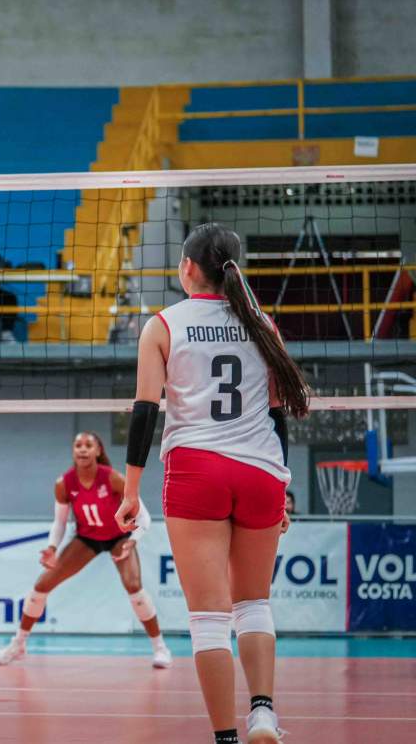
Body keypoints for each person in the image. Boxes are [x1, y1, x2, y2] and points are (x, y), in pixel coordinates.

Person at [115, 222, 309, 744]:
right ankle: (263, 714)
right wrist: (282, 485)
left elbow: (144, 411)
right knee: (254, 604)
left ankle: (226, 738)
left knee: (208, 617)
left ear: (187, 268)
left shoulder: (164, 325)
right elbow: (278, 415)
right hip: (262, 469)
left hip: (198, 469)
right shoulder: (262, 323)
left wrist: (131, 490)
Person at [0, 431, 173, 668]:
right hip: (87, 539)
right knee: (41, 585)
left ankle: (160, 648)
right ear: (73, 451)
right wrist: (52, 548)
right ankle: (18, 644)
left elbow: (143, 515)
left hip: (119, 537)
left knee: (134, 586)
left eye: (88, 445)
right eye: (78, 445)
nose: (83, 449)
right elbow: (60, 522)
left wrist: (133, 539)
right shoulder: (64, 483)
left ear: (98, 451)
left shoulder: (113, 478)